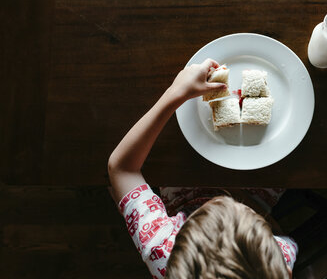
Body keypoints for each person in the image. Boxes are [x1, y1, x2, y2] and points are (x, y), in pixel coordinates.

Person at [108, 59, 298, 278]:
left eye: (214, 206)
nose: (224, 197)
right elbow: (287, 242)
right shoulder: (278, 259)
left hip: (182, 188)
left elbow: (121, 167)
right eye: (240, 209)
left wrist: (175, 93)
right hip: (258, 195)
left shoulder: (161, 249)